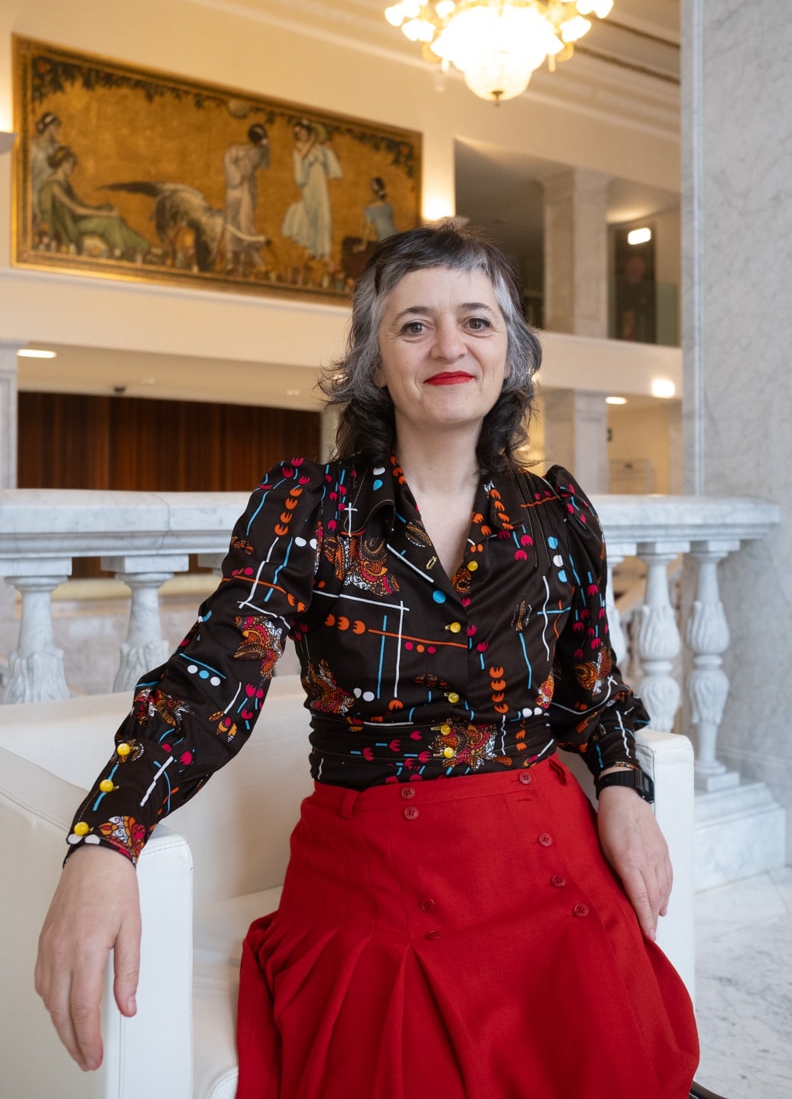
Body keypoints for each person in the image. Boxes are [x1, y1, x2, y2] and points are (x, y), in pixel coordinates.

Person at [36, 223, 700, 1099]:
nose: (449, 345)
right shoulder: (308, 508)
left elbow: (595, 694)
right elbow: (213, 683)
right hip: (377, 874)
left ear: (510, 353)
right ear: (375, 363)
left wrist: (623, 787)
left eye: (477, 321)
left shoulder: (557, 513)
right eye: (414, 325)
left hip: (548, 860)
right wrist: (105, 838)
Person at [38, 146, 151, 261]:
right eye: (69, 163)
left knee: (109, 210)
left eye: (73, 163)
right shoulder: (54, 186)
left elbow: (81, 206)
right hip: (70, 227)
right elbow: (76, 210)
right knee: (109, 221)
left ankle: (140, 246)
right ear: (61, 163)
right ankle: (122, 252)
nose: (72, 166)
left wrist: (103, 210)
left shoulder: (64, 183)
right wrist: (109, 214)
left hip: (76, 221)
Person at [281, 118, 342, 260]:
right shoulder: (299, 148)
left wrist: (329, 151)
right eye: (297, 133)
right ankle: (313, 249)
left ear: (308, 131)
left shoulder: (319, 149)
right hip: (309, 186)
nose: (300, 135)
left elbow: (332, 166)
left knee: (324, 214)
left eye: (302, 131)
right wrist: (312, 140)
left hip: (320, 184)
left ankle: (324, 251)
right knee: (311, 215)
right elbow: (300, 168)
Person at [223, 122, 271, 273]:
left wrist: (267, 147)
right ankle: (232, 256)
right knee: (232, 220)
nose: (261, 142)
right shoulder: (238, 149)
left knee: (245, 218)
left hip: (248, 187)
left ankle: (250, 253)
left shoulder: (261, 151)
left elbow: (265, 165)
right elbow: (228, 160)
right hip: (235, 187)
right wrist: (236, 177)